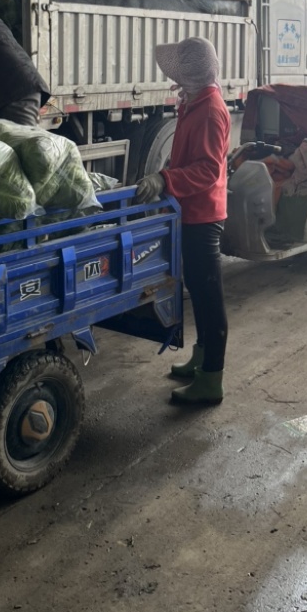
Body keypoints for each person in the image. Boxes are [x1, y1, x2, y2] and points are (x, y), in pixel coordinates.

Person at [135, 36, 230, 405]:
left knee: (208, 296)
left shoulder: (208, 110)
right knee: (197, 288)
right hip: (191, 211)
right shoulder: (194, 103)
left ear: (191, 75)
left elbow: (207, 170)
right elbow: (186, 158)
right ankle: (202, 357)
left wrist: (166, 180)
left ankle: (212, 380)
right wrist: (165, 173)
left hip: (204, 215)